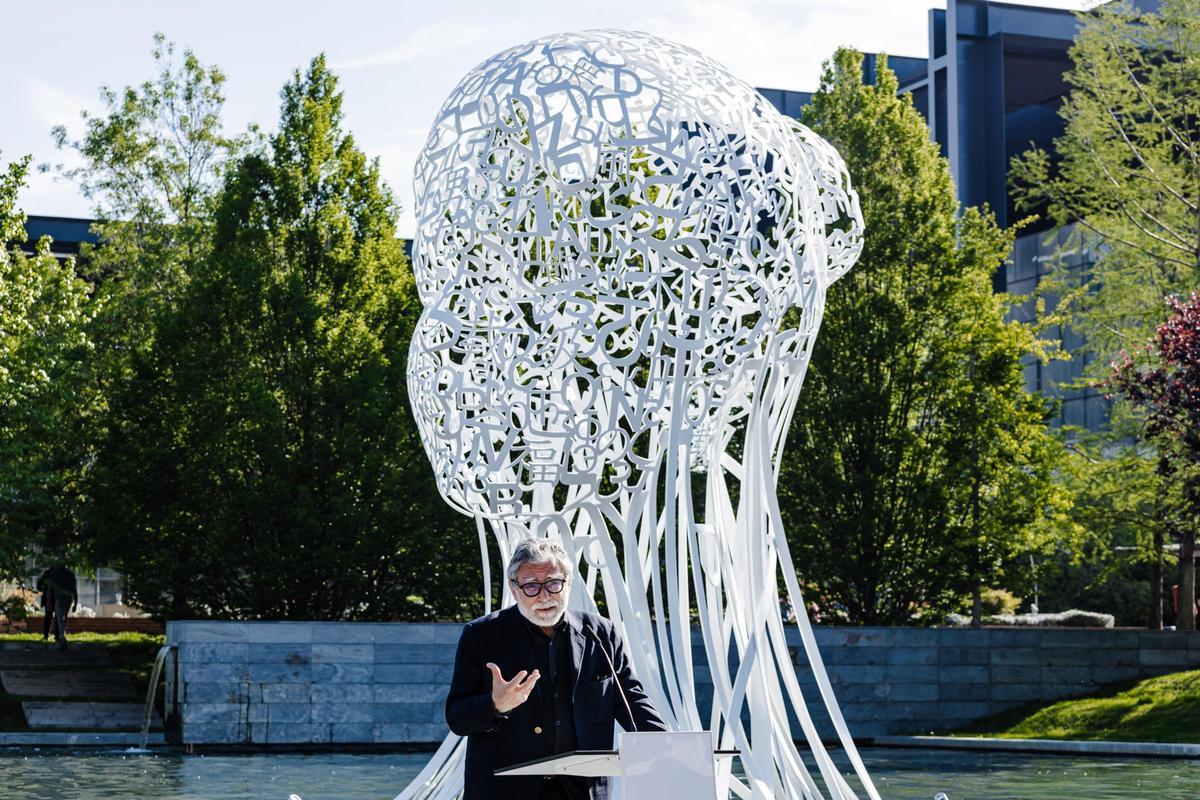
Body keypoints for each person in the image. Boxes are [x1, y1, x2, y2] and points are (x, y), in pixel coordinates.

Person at [446, 538, 666, 800]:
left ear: (568, 583)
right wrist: (496, 705)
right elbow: (456, 717)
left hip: (582, 791)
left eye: (553, 583)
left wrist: (668, 745)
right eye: (531, 586)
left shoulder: (600, 633)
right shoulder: (480, 635)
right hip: (506, 791)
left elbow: (631, 699)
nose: (544, 595)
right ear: (513, 589)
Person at [42, 564, 77, 649]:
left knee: (60, 618)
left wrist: (48, 601)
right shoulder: (69, 574)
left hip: (59, 599)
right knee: (62, 618)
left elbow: (49, 589)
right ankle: (61, 637)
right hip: (66, 599)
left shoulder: (54, 574)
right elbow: (74, 590)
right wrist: (76, 602)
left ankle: (61, 637)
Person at [35, 569, 55, 641]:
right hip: (53, 598)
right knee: (53, 617)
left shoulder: (47, 573)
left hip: (49, 598)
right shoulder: (55, 573)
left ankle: (47, 634)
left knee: (48, 617)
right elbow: (39, 584)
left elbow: (39, 585)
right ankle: (55, 635)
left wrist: (42, 589)